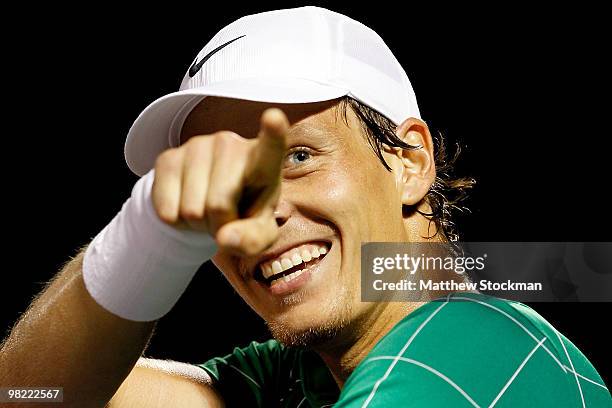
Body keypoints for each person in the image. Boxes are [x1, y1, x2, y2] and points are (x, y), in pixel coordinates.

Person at [1, 6, 610, 407]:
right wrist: (148, 236)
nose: (259, 217)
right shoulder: (301, 379)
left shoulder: (470, 349)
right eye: (235, 182)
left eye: (296, 156)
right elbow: (31, 397)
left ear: (409, 161)